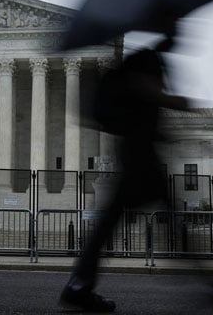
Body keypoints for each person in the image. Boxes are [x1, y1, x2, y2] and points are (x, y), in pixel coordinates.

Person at [60, 29, 188, 312]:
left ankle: (79, 284)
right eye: (175, 26)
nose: (180, 34)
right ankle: (210, 284)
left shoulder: (146, 59)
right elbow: (143, 93)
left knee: (113, 223)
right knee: (165, 219)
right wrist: (173, 101)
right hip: (138, 155)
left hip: (138, 154)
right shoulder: (145, 60)